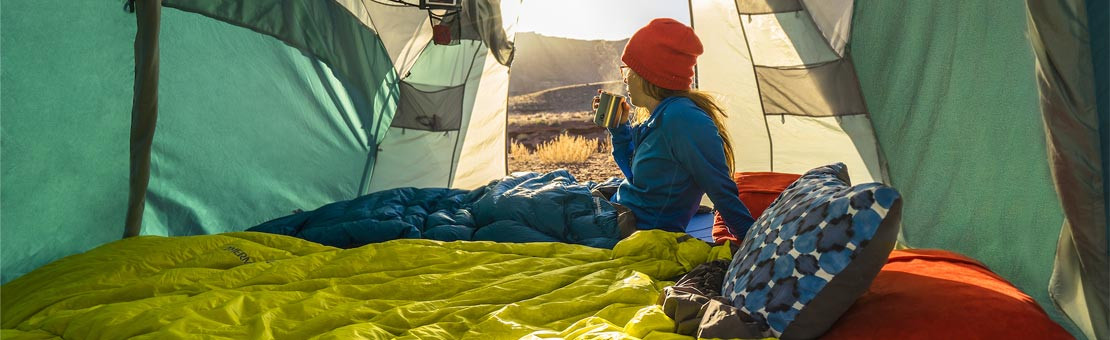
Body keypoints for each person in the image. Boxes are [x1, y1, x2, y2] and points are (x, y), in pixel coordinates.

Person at [592, 18, 755, 240]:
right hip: (619, 215)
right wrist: (619, 129)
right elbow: (636, 177)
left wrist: (754, 243)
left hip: (631, 231)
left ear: (649, 74)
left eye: (629, 69)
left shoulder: (683, 120)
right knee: (544, 200)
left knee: (535, 208)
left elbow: (721, 191)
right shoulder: (660, 116)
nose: (626, 79)